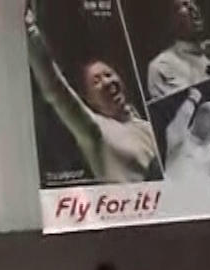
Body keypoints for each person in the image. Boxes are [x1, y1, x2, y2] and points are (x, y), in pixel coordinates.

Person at [24, 4, 158, 185]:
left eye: (108, 74)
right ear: (89, 100)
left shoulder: (147, 127)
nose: (107, 82)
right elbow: (56, 90)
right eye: (96, 81)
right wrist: (30, 31)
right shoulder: (95, 130)